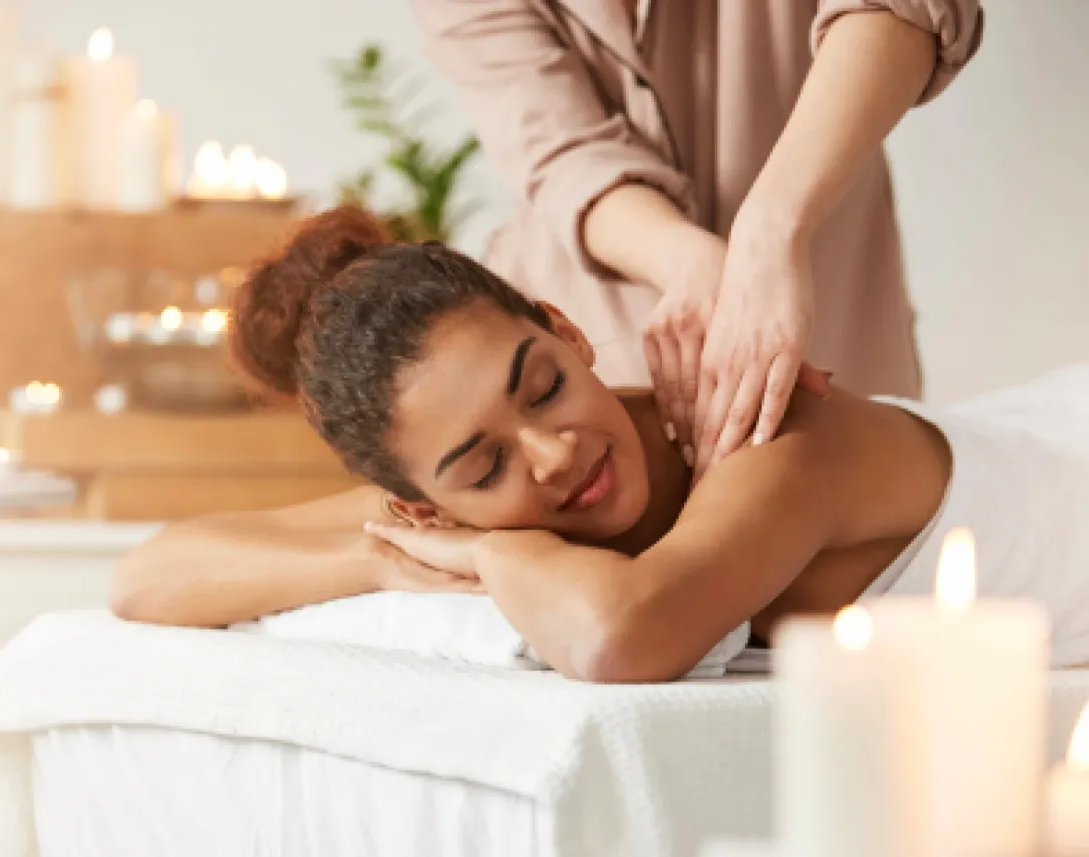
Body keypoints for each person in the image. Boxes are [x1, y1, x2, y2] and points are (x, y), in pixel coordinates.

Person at [110, 208, 1089, 681]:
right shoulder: (432, 514)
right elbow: (150, 574)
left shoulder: (768, 436)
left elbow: (623, 636)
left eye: (543, 383)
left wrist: (484, 544)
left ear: (568, 330)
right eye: (484, 465)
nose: (552, 451)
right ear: (421, 502)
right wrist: (384, 557)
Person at [410, 0, 983, 478]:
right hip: (607, 344)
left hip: (827, 316)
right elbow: (563, 157)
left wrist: (771, 231)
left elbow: (906, 7)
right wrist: (696, 267)